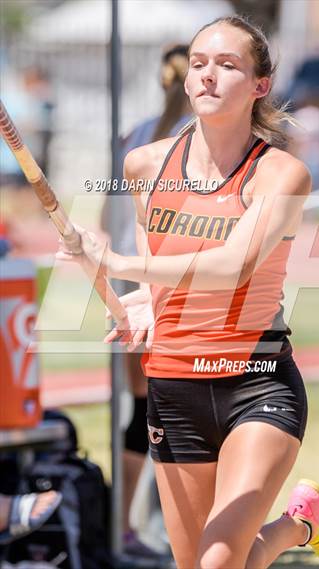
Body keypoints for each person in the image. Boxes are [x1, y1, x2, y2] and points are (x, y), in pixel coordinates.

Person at [58, 16, 319, 569]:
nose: (208, 76)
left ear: (260, 85)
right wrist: (144, 300)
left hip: (255, 384)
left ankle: (293, 525)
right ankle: (300, 524)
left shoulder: (282, 174)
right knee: (205, 564)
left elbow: (234, 265)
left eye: (227, 65)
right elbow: (163, 265)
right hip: (174, 386)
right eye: (198, 64)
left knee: (218, 560)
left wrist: (115, 261)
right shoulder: (145, 166)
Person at [100, 44, 191, 557]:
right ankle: (170, 527)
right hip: (171, 285)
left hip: (129, 281)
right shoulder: (193, 139)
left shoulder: (132, 134)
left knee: (143, 406)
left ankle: (129, 525)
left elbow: (103, 215)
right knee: (182, 403)